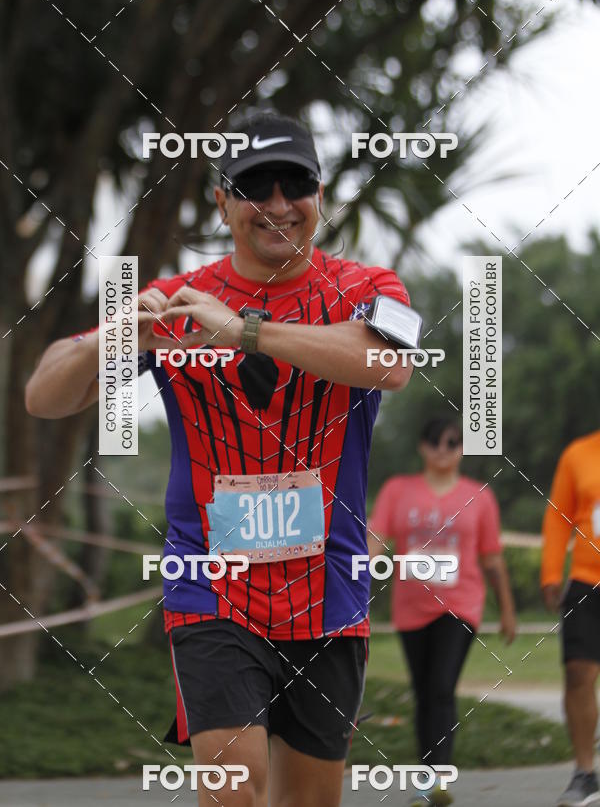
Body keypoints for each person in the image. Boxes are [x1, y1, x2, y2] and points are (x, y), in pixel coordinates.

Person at [25, 111, 416, 807]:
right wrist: (109, 338)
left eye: (293, 184)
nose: (275, 205)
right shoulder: (178, 301)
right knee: (233, 792)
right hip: (212, 585)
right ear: (221, 201)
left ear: (320, 194)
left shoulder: (369, 288)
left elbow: (388, 364)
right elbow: (44, 396)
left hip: (331, 588)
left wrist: (245, 330)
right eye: (252, 187)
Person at [368, 416, 516, 807]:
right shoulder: (398, 491)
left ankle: (436, 780)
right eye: (435, 442)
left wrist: (507, 610)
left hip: (459, 605)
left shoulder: (478, 496)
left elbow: (492, 558)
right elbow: (376, 539)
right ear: (422, 447)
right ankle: (425, 774)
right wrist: (355, 574)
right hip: (411, 608)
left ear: (462, 449)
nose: (443, 450)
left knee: (441, 686)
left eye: (452, 443)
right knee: (423, 693)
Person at [541, 430, 600, 807]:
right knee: (578, 674)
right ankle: (584, 773)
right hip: (586, 580)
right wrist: (550, 572)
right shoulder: (579, 453)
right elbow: (558, 516)